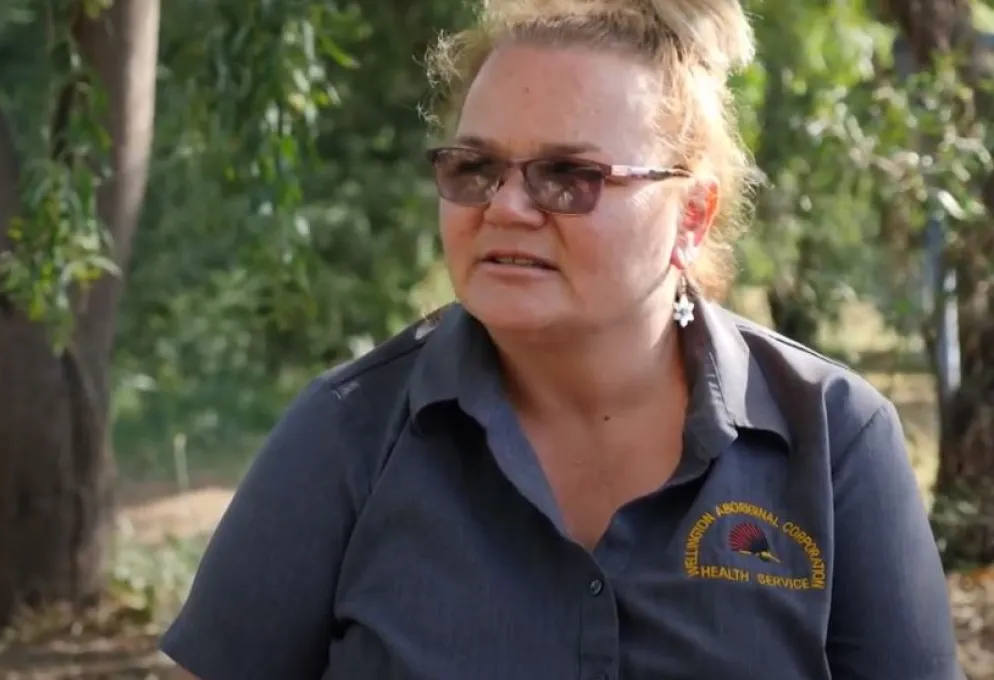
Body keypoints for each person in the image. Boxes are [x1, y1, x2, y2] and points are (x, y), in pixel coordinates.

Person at [160, 0, 963, 677]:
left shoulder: (833, 439)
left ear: (692, 216)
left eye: (568, 176)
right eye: (475, 167)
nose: (506, 207)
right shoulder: (346, 434)